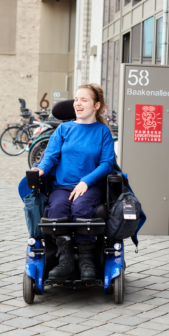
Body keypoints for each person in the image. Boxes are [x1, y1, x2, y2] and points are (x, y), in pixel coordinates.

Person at [33, 84, 114, 281]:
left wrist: (86, 181)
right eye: (76, 99)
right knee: (58, 207)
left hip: (90, 186)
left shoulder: (102, 131)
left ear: (96, 106)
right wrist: (40, 169)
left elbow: (107, 163)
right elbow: (50, 157)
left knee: (80, 208)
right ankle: (66, 261)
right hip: (63, 186)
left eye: (83, 100)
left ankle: (87, 261)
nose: (78, 104)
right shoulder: (63, 129)